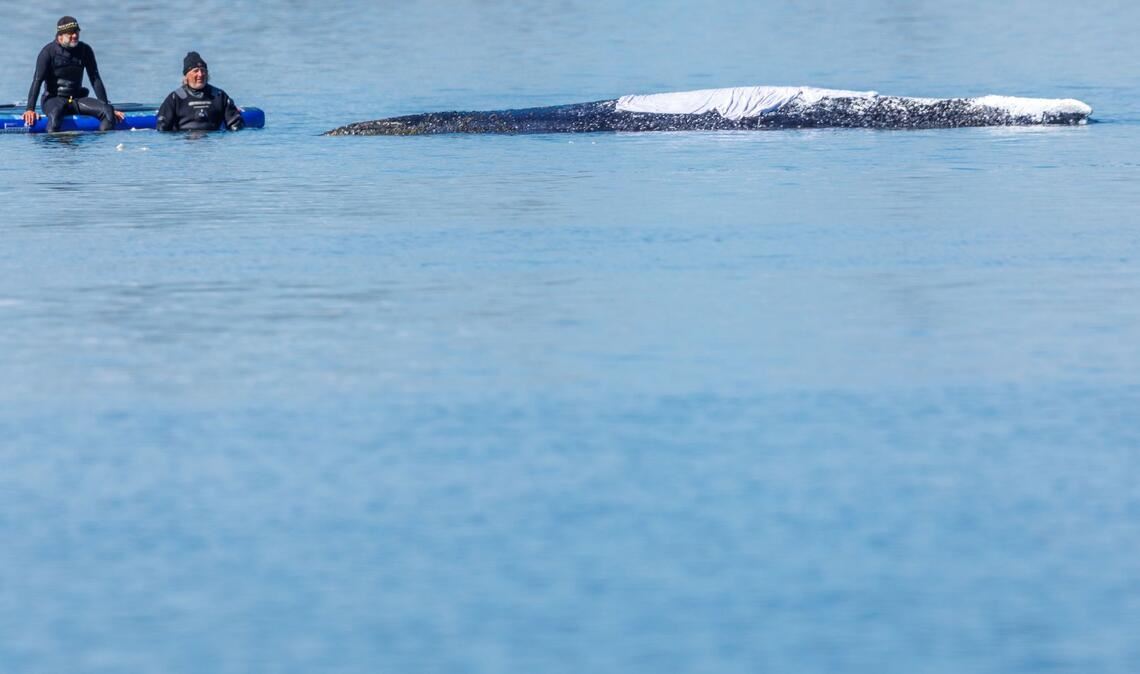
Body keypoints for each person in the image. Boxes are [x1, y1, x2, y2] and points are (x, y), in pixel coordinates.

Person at [23, 16, 124, 132]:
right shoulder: (47, 52)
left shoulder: (85, 50)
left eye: (76, 32)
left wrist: (106, 105)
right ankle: (54, 148)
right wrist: (30, 109)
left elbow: (95, 79)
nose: (75, 35)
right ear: (60, 36)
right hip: (53, 99)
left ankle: (98, 147)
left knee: (107, 113)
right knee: (56, 116)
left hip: (77, 99)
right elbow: (37, 81)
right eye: (70, 33)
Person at [156, 52, 244, 132]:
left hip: (213, 144)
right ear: (186, 76)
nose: (200, 74)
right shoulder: (175, 97)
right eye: (196, 71)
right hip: (184, 143)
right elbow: (162, 128)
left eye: (203, 70)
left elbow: (235, 124)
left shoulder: (219, 95)